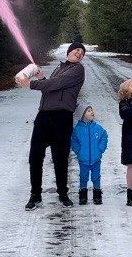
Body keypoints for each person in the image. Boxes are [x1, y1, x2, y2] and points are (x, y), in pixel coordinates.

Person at [17, 42, 87, 210]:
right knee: (35, 156)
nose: (79, 53)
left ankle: (63, 194)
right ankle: (35, 195)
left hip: (62, 117)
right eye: (76, 50)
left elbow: (57, 84)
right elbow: (50, 87)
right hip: (44, 115)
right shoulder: (59, 68)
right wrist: (41, 77)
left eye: (82, 53)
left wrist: (31, 84)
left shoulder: (78, 70)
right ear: (69, 52)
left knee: (60, 157)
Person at [70, 105, 108, 205]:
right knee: (83, 177)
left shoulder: (97, 127)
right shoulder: (77, 129)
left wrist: (100, 149)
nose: (92, 112)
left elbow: (104, 135)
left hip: (96, 159)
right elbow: (74, 141)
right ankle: (83, 195)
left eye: (92, 110)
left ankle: (97, 195)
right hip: (83, 160)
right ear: (82, 115)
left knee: (96, 177)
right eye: (89, 111)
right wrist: (78, 151)